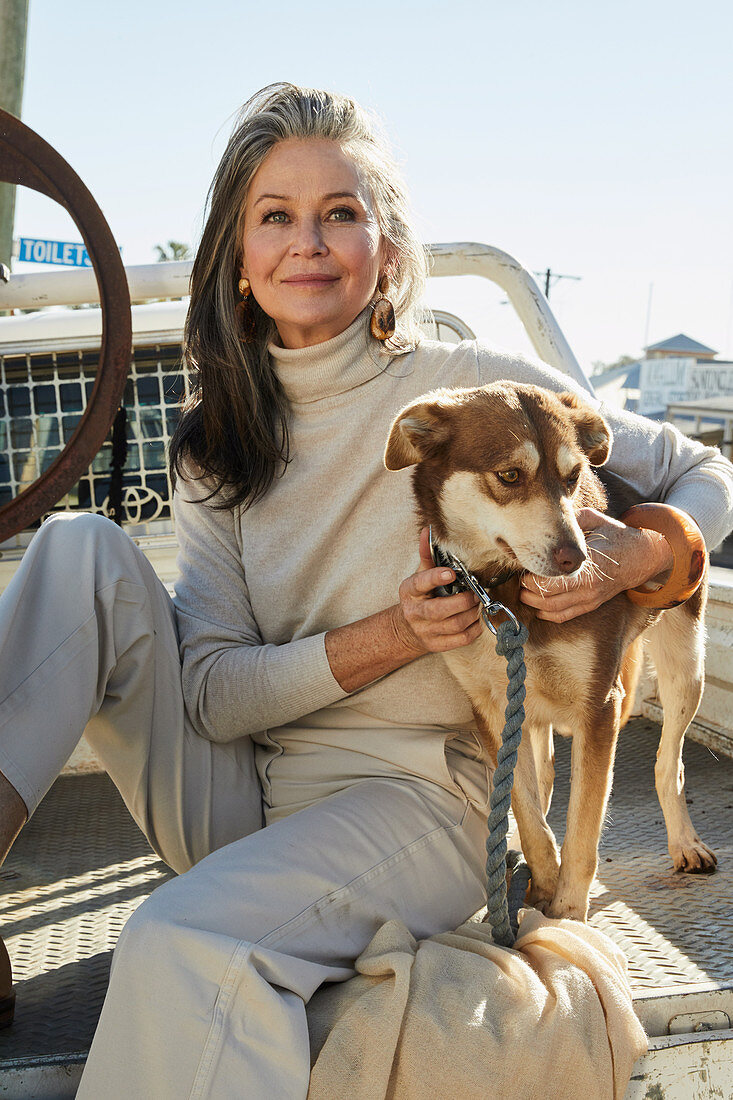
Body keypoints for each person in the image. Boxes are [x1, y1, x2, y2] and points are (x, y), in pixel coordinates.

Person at [0, 82, 731, 1097]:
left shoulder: (469, 383)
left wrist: (640, 557)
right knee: (77, 548)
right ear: (239, 257)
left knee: (178, 938)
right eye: (276, 216)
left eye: (340, 212)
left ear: (384, 247)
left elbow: (702, 470)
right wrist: (388, 634)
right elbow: (211, 691)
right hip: (245, 794)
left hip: (421, 799)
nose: (309, 241)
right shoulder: (217, 437)